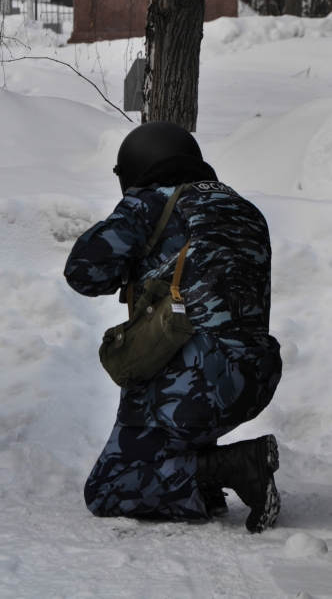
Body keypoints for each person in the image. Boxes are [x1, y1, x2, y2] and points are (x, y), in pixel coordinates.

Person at [64, 122, 283, 533]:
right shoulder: (244, 209)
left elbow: (82, 272)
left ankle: (233, 467)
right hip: (254, 377)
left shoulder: (150, 202)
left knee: (108, 488)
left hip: (188, 386)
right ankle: (204, 478)